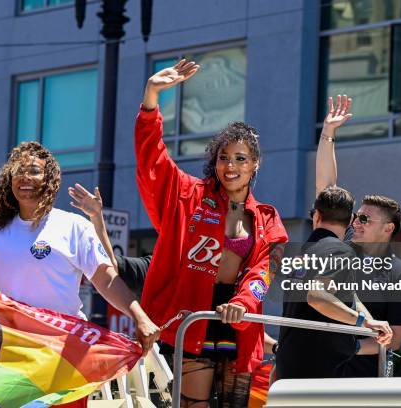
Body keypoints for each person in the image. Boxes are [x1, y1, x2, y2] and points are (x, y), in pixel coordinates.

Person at [135, 59, 288, 407]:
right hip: (191, 320)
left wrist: (243, 303)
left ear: (255, 164)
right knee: (193, 405)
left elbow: (264, 273)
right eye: (223, 157)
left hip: (240, 324)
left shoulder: (267, 217)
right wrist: (151, 100)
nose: (230, 166)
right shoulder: (188, 194)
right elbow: (152, 163)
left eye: (240, 158)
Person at [0, 142, 159, 354]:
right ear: (9, 180)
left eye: (34, 171)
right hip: (9, 351)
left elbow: (106, 279)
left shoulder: (73, 226)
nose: (25, 177)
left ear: (49, 180)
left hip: (64, 349)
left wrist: (140, 317)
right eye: (18, 172)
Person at [315, 95, 401, 377]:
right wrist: (328, 133)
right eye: (356, 217)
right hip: (318, 374)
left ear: (388, 229)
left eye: (364, 219)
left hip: (364, 383)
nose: (355, 223)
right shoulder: (339, 251)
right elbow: (327, 190)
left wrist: (346, 347)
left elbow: (394, 337)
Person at [275, 186, 393, 379]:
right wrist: (363, 323)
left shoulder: (304, 253)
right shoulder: (340, 251)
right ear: (352, 220)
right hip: (320, 367)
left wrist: (370, 323)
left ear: (317, 216)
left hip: (290, 363)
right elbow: (317, 297)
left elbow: (346, 294)